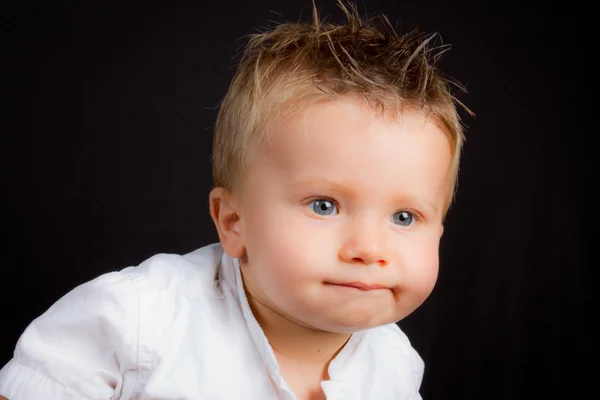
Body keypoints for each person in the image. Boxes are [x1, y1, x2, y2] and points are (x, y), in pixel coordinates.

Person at [0, 1, 472, 398]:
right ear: (233, 221)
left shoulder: (395, 365)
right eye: (324, 205)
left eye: (405, 217)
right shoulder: (135, 320)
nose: (370, 249)